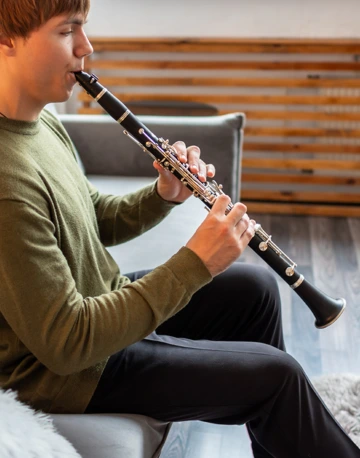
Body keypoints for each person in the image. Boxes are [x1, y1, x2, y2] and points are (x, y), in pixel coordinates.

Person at [0, 1, 359, 457]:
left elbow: (88, 217)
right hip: (67, 373)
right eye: (66, 31)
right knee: (277, 375)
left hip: (96, 309)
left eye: (84, 28)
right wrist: (194, 263)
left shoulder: (42, 121)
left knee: (256, 288)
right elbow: (68, 343)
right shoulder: (6, 181)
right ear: (6, 38)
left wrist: (163, 194)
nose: (86, 47)